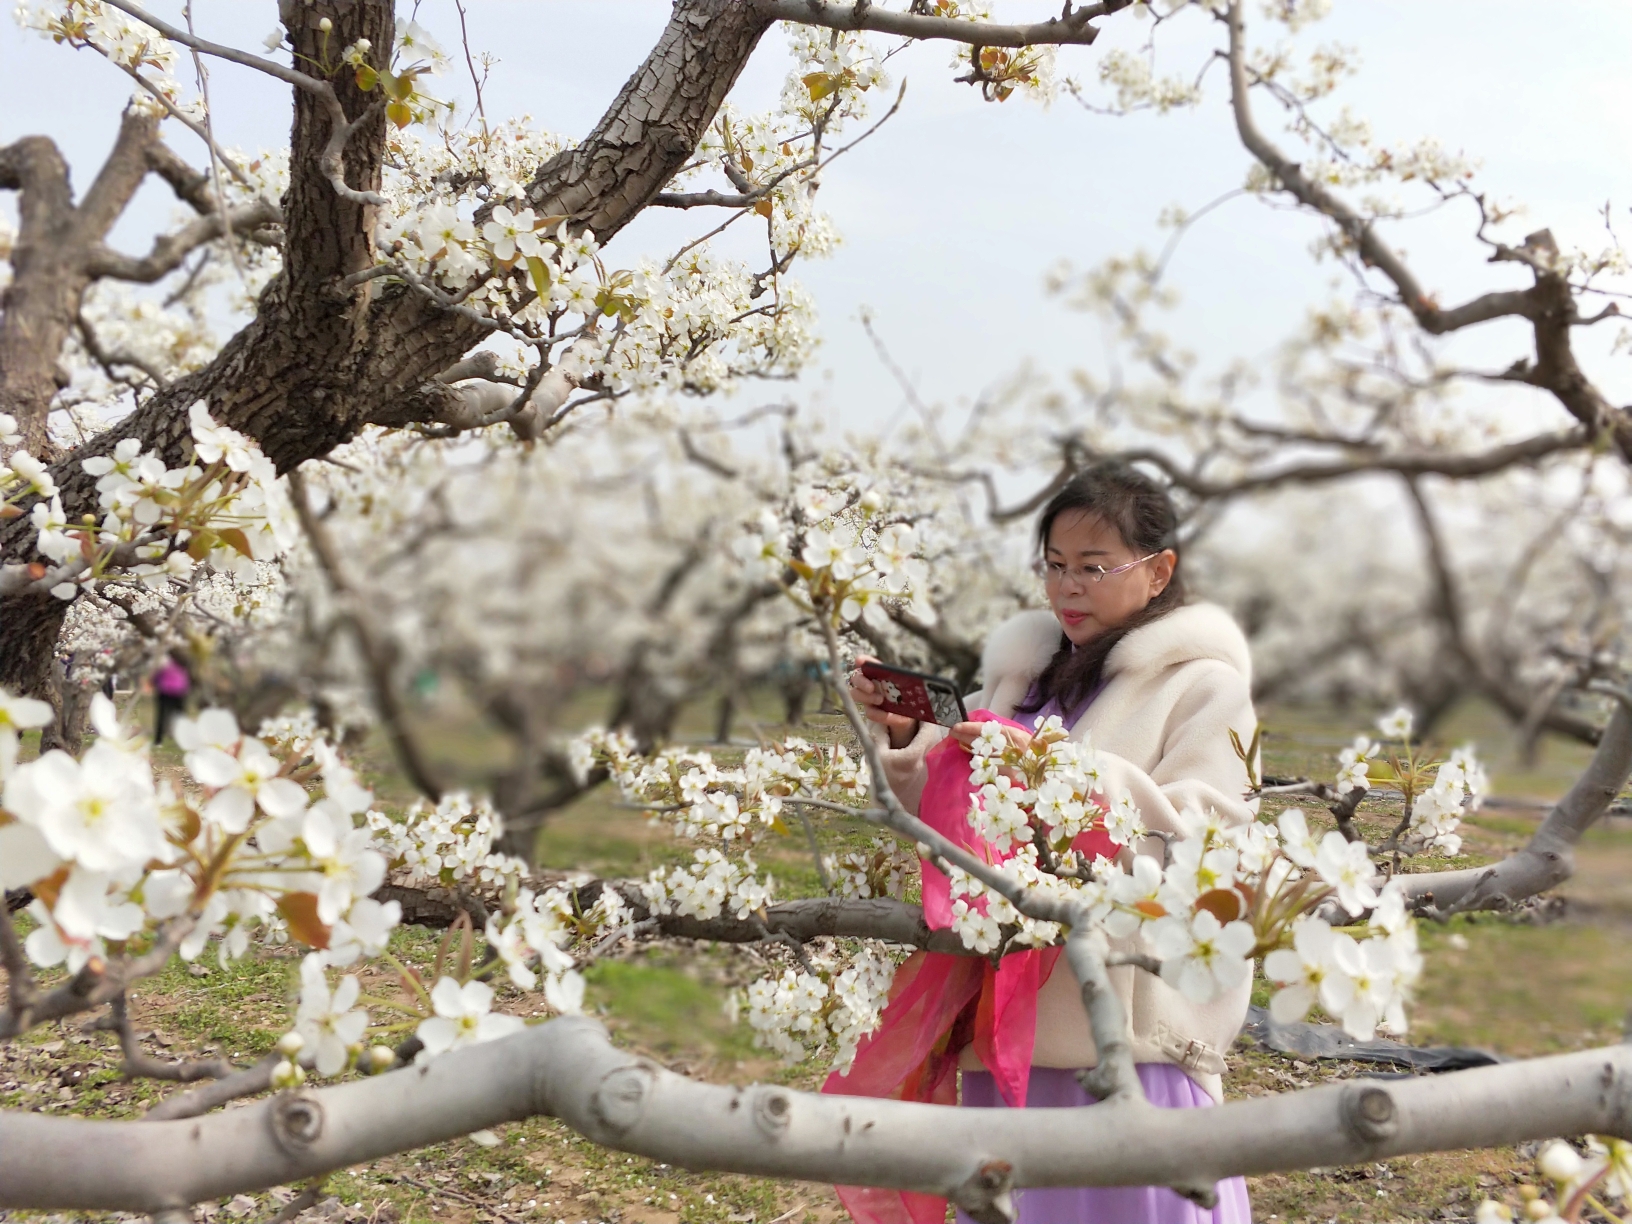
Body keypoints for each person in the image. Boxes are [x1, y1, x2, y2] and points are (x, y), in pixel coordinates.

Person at [830, 463, 1258, 1224]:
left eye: (1095, 568)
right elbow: (954, 823)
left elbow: (1206, 835)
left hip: (1126, 1030)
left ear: (1160, 572)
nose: (1068, 589)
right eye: (1055, 567)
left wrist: (1057, 772)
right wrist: (910, 739)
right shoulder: (1023, 680)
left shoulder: (1202, 687)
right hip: (1012, 1017)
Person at [151, 653, 191, 745]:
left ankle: (158, 740)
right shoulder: (183, 663)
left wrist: (154, 682)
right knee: (179, 716)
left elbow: (157, 675)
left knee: (162, 716)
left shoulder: (164, 661)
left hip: (166, 691)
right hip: (178, 691)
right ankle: (182, 737)